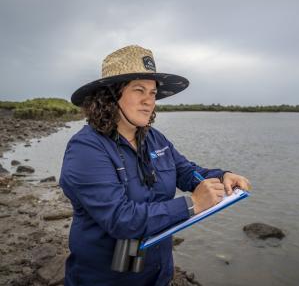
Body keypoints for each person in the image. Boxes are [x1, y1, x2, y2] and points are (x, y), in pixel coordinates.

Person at [59, 45, 251, 286]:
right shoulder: (86, 149)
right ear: (110, 96)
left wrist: (222, 176)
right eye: (139, 90)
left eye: (152, 93)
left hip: (157, 273)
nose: (149, 101)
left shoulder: (154, 138)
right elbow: (121, 219)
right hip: (105, 278)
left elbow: (186, 171)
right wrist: (193, 204)